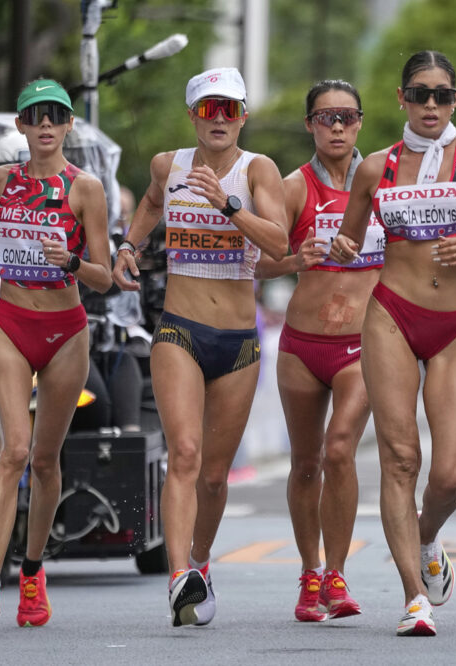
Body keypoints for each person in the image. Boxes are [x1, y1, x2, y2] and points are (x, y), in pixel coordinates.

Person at [330, 50, 456, 636]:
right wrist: (344, 251)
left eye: (441, 95)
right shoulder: (374, 167)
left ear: (454, 99)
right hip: (392, 314)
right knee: (400, 458)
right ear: (401, 99)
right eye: (418, 94)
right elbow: (349, 241)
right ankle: (412, 597)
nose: (429, 105)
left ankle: (425, 535)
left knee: (449, 476)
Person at [112, 67, 287, 627]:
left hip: (237, 339)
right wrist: (127, 247)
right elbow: (150, 203)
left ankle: (201, 563)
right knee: (183, 454)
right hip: (180, 329)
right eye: (208, 109)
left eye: (230, 109)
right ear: (192, 114)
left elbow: (280, 242)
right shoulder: (170, 164)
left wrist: (229, 207)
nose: (220, 119)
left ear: (243, 116)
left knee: (214, 474)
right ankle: (179, 577)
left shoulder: (257, 170)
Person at [0, 79, 112, 626]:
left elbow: (104, 278)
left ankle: (33, 573)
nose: (44, 124)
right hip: (10, 323)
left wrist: (70, 264)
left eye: (55, 116)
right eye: (34, 115)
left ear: (67, 127)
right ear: (20, 125)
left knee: (43, 459)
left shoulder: (85, 190)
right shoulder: (0, 177)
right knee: (12, 449)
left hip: (66, 330)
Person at [254, 80, 377, 623]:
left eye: (347, 117)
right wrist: (295, 259)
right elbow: (256, 263)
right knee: (306, 464)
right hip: (302, 346)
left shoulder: (382, 180)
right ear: (309, 124)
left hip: (363, 344)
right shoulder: (292, 187)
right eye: (326, 117)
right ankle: (309, 573)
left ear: (359, 124)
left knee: (339, 451)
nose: (336, 126)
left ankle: (337, 575)